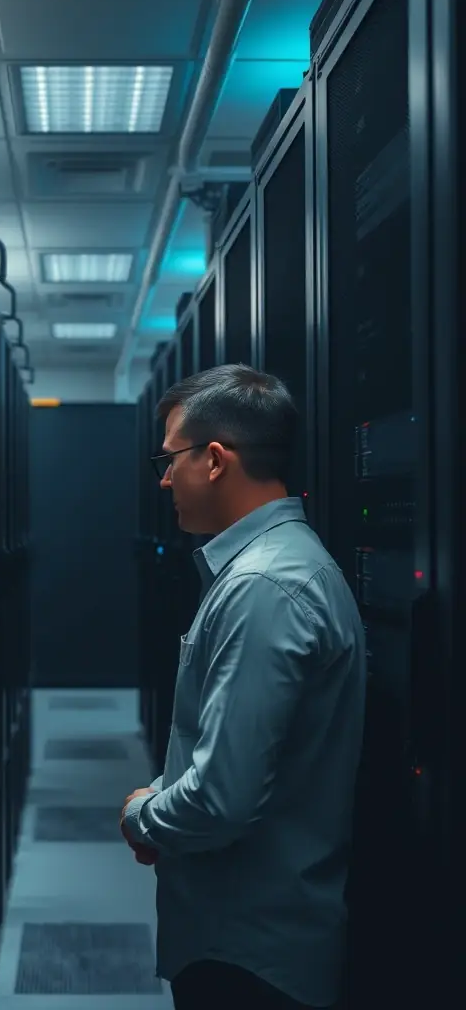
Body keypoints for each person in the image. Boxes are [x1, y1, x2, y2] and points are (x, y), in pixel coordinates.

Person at [119, 364, 366, 1010]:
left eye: (170, 459)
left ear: (217, 459)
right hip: (253, 937)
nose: (165, 478)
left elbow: (221, 799)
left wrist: (143, 815)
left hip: (250, 955)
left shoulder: (263, 588)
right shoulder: (275, 569)